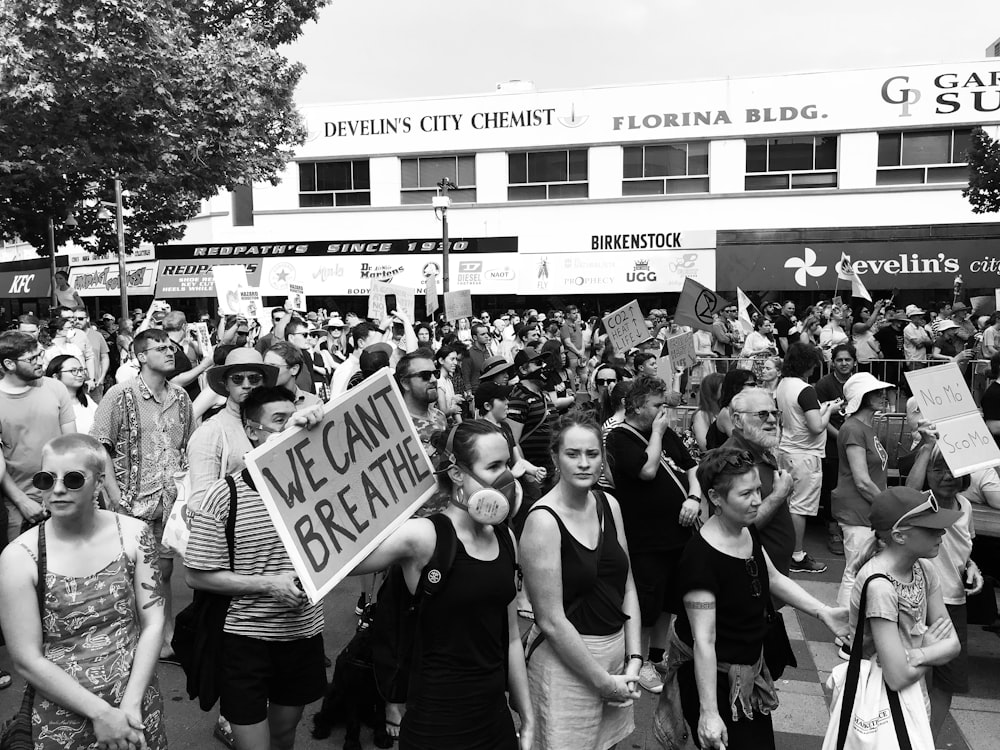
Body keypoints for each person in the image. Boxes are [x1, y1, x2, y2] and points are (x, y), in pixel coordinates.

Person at [349, 420, 534, 750]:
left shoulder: (505, 536)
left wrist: (527, 716)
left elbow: (512, 638)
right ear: (457, 473)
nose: (506, 477)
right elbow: (329, 562)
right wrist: (295, 435)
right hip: (437, 723)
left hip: (494, 718)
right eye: (492, 466)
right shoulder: (423, 537)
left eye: (506, 464)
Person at [0, 433, 167, 749]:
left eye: (73, 479)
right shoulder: (19, 556)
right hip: (62, 714)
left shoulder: (133, 535)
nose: (58, 489)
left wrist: (130, 706)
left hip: (136, 700)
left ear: (100, 482)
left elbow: (154, 622)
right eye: (46, 479)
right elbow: (25, 659)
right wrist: (102, 714)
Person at [674, 447, 848, 750]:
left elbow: (773, 578)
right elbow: (704, 640)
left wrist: (823, 612)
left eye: (758, 489)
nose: (757, 500)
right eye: (746, 494)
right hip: (715, 681)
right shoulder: (700, 559)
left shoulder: (746, 529)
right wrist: (710, 713)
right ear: (715, 498)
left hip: (748, 673)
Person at [185, 387, 326, 750]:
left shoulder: (320, 487)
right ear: (251, 430)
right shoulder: (222, 496)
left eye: (295, 417)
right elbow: (196, 575)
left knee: (283, 737)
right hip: (244, 642)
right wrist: (268, 585)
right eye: (279, 421)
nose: (292, 427)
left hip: (301, 636)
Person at [519, 412, 642, 749]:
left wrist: (634, 658)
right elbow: (551, 620)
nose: (584, 463)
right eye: (573, 454)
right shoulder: (543, 521)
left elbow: (627, 586)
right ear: (556, 457)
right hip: (567, 666)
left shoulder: (609, 504)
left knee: (607, 744)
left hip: (616, 656)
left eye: (592, 454)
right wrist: (603, 682)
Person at [90, 328, 193, 658]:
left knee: (164, 571)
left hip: (169, 502)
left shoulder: (181, 396)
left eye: (170, 346)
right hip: (132, 504)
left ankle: (166, 638)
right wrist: (116, 495)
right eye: (160, 348)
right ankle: (131, 638)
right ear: (141, 356)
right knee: (131, 573)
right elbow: (99, 446)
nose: (169, 352)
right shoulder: (119, 395)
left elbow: (186, 444)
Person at [605, 375, 701, 695]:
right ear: (636, 406)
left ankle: (658, 656)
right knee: (646, 603)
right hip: (646, 539)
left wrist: (694, 497)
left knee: (668, 601)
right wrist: (657, 433)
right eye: (657, 405)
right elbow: (647, 470)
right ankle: (640, 659)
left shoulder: (665, 432)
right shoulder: (620, 438)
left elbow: (691, 468)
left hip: (678, 534)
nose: (663, 411)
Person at [844, 486, 962, 739]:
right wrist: (928, 645)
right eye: (931, 528)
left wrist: (916, 654)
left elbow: (953, 645)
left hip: (915, 699)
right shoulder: (880, 587)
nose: (942, 532)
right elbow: (896, 676)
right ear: (899, 536)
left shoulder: (924, 570)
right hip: (879, 708)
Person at [901, 441, 984, 739]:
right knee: (913, 672)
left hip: (955, 602)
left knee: (947, 680)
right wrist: (925, 450)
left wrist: (973, 569)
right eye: (938, 468)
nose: (947, 475)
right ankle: (904, 736)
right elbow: (908, 497)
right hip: (917, 602)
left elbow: (964, 550)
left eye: (952, 468)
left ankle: (927, 740)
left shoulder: (967, 507)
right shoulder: (923, 504)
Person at [0, 332, 77, 544]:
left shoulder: (55, 388)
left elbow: (71, 444)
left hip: (63, 493)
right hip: (18, 501)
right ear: (9, 363)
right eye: (32, 359)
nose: (40, 362)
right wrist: (22, 501)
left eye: (40, 354)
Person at [831, 373, 895, 614]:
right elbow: (861, 480)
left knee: (861, 570)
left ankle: (851, 628)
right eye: (875, 392)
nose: (883, 396)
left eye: (881, 391)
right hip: (858, 510)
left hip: (865, 509)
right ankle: (847, 629)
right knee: (855, 571)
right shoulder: (854, 429)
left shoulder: (864, 427)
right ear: (861, 397)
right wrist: (888, 506)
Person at [775, 343, 839, 574]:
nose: (815, 368)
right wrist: (829, 411)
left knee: (786, 503)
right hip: (805, 455)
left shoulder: (782, 385)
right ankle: (797, 555)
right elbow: (815, 427)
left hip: (787, 450)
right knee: (799, 508)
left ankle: (788, 550)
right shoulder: (805, 389)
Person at [722, 389, 796, 575]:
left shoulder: (759, 448)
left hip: (771, 573)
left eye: (775, 413)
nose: (772, 420)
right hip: (753, 574)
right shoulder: (733, 459)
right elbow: (739, 526)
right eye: (762, 414)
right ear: (738, 420)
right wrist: (778, 495)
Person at [815, 343, 857, 556]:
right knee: (832, 485)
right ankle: (832, 528)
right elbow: (821, 417)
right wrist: (840, 437)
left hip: (856, 442)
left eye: (847, 360)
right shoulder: (823, 385)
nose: (843, 363)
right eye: (839, 360)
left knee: (852, 483)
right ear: (833, 362)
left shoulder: (858, 383)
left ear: (854, 362)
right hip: (832, 443)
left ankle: (848, 524)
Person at [507, 347, 555, 499]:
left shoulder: (543, 394)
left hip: (551, 470)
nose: (543, 367)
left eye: (543, 363)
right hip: (535, 476)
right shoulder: (519, 398)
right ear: (523, 369)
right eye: (537, 363)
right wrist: (529, 474)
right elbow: (513, 441)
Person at [164, 310, 210, 402]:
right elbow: (175, 381)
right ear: (184, 326)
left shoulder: (168, 346)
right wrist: (203, 365)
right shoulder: (172, 350)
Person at [264, 341, 324, 411]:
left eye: (273, 367)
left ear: (294, 369)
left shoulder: (313, 404)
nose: (266, 371)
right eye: (264, 366)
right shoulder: (257, 403)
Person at [46, 355, 98, 433]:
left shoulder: (87, 400)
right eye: (73, 371)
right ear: (55, 376)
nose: (80, 375)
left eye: (81, 370)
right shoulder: (50, 406)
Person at [710, 369, 757, 449]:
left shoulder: (748, 409)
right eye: (751, 384)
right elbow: (741, 443)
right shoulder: (727, 413)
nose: (756, 388)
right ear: (736, 387)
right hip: (727, 458)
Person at [72, 309, 111, 401]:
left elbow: (104, 357)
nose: (77, 321)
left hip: (96, 383)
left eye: (80, 318)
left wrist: (102, 377)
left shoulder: (97, 335)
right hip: (75, 383)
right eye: (74, 319)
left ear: (88, 319)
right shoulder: (69, 336)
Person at [691, 372, 724, 454]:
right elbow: (704, 446)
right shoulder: (701, 415)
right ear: (713, 391)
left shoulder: (725, 411)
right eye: (723, 389)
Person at [435, 344, 465, 423]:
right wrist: (454, 409)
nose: (455, 363)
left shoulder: (448, 380)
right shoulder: (439, 381)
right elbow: (443, 411)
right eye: (452, 359)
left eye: (456, 359)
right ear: (441, 360)